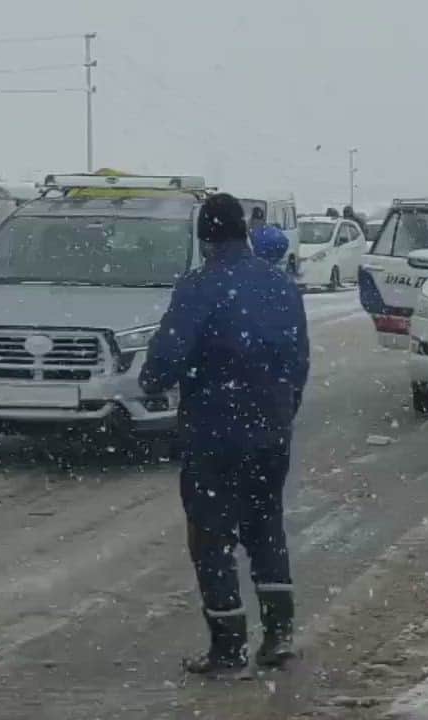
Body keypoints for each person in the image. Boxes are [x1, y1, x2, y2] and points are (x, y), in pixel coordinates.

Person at [139, 193, 310, 678]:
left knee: (211, 536)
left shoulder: (201, 285)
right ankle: (279, 634)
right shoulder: (281, 285)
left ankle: (228, 648)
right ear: (244, 233)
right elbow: (298, 360)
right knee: (265, 526)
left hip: (214, 430)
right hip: (269, 427)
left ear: (205, 238)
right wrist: (282, 409)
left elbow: (170, 352)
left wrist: (153, 380)